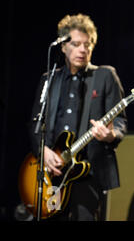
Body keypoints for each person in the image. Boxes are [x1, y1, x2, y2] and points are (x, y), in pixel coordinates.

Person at [29, 14, 127, 221]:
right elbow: (35, 124)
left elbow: (120, 123)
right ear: (63, 46)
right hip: (52, 170)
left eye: (87, 44)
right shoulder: (50, 79)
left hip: (88, 171)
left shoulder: (105, 76)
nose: (83, 49)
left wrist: (109, 135)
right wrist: (43, 151)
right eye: (76, 44)